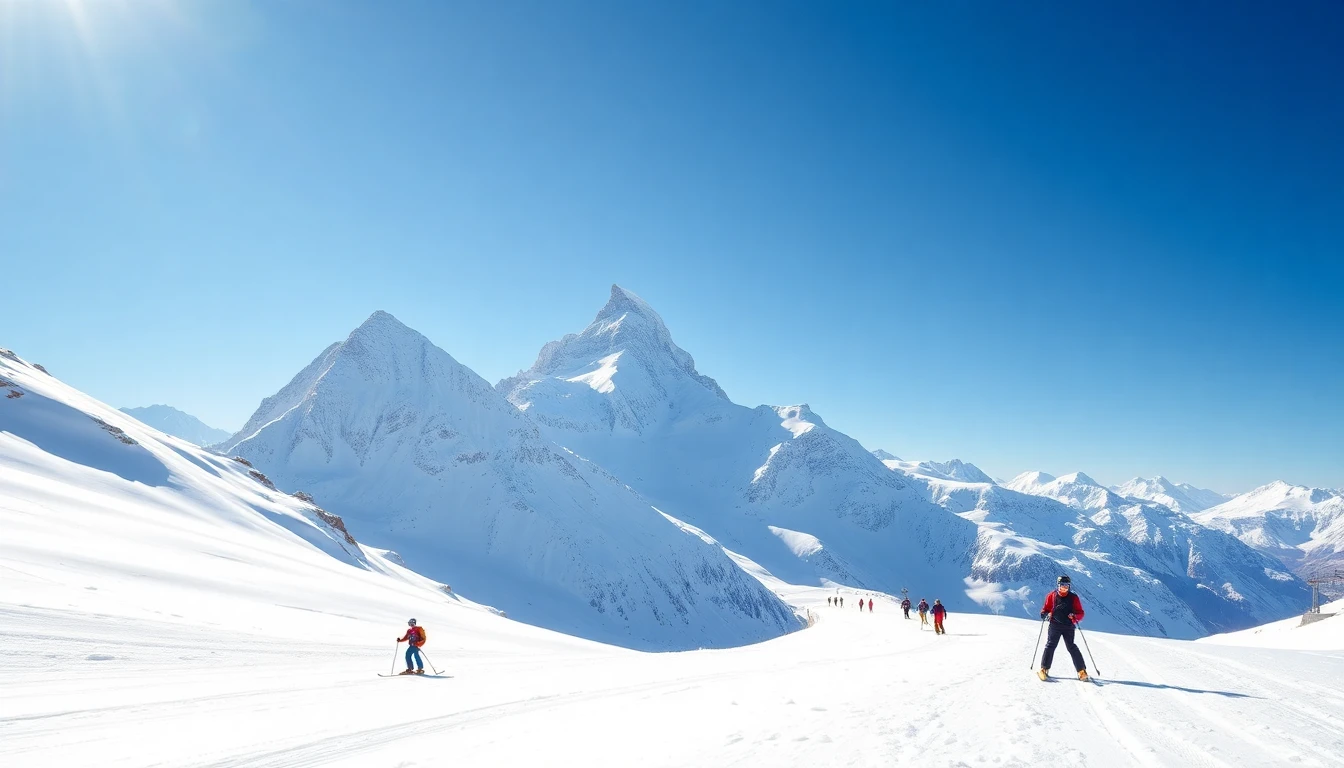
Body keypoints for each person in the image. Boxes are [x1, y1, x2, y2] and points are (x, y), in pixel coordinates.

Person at [1038, 575, 1088, 681]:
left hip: (1068, 626)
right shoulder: (1051, 596)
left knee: (1071, 647)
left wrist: (1075, 617)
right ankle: (1044, 669)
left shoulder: (1074, 598)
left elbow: (1080, 613)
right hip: (1054, 625)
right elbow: (1045, 609)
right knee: (1050, 645)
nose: (1064, 588)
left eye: (1066, 586)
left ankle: (1081, 671)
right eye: (1062, 585)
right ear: (1058, 585)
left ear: (1069, 586)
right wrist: (1044, 614)